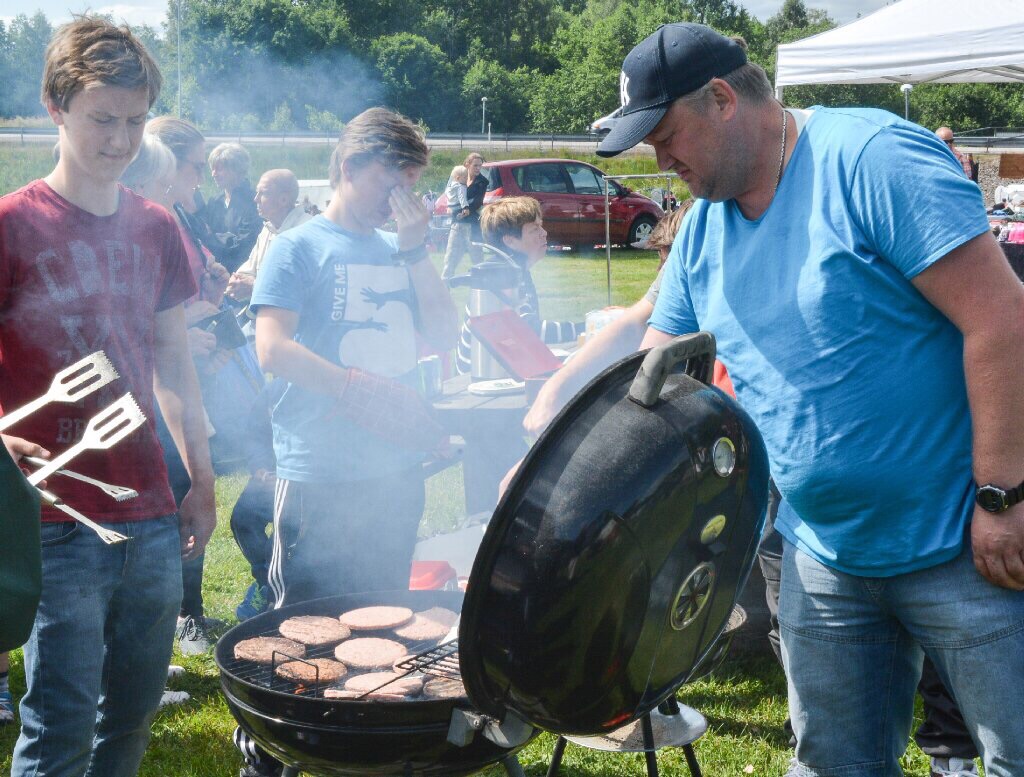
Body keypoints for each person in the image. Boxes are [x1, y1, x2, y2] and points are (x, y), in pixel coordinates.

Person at [597, 22, 1024, 777]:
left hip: (966, 537)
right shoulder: (703, 230)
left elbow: (1000, 318)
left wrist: (1002, 493)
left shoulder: (870, 159)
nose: (659, 161)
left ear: (722, 98)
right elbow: (658, 378)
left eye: (665, 135)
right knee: (834, 763)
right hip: (823, 552)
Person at [0, 16, 215, 777]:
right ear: (55, 107)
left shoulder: (156, 226)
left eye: (134, 120)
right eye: (102, 119)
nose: (121, 141)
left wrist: (200, 475)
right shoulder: (10, 225)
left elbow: (172, 358)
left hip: (152, 513)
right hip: (53, 522)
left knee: (129, 721)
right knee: (59, 730)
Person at [238, 106, 459, 777]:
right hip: (314, 472)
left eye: (411, 186)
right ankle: (268, 756)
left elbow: (447, 335)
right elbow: (272, 348)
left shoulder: (400, 249)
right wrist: (355, 389)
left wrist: (418, 247)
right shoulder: (300, 245)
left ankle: (358, 742)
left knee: (383, 612)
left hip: (393, 474)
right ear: (350, 165)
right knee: (295, 626)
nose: (400, 200)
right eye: (390, 183)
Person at [145, 115, 232, 655]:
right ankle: (177, 616)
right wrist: (187, 331)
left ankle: (179, 613)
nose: (201, 177)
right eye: (197, 166)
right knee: (169, 499)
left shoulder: (176, 216)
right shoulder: (152, 217)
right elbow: (140, 320)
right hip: (150, 390)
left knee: (182, 492)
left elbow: (171, 311)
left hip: (182, 379)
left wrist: (210, 305)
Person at [455, 196, 584, 375]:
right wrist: (586, 328)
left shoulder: (517, 269)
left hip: (504, 370)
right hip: (481, 378)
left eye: (541, 225)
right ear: (510, 241)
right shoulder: (501, 274)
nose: (544, 233)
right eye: (534, 229)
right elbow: (527, 331)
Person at [226, 168, 312, 310]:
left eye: (263, 193)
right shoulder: (267, 229)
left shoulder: (307, 231)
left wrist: (255, 286)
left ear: (283, 199)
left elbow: (304, 286)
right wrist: (237, 281)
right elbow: (249, 269)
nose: (255, 199)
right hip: (263, 316)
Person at [199, 142, 262, 272]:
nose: (213, 174)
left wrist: (211, 237)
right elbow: (201, 234)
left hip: (241, 276)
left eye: (219, 169)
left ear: (237, 170)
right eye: (212, 169)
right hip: (215, 273)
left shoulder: (254, 202)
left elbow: (243, 246)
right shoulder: (214, 201)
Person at [441, 152, 486, 279]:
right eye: (475, 165)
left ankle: (482, 286)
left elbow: (477, 203)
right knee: (450, 257)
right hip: (457, 223)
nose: (478, 168)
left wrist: (463, 210)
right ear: (467, 164)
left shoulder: (482, 181)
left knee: (477, 258)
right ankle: (444, 285)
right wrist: (451, 207)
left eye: (480, 166)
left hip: (472, 225)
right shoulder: (457, 174)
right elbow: (448, 191)